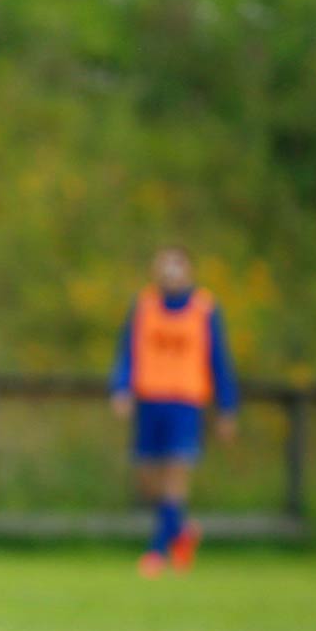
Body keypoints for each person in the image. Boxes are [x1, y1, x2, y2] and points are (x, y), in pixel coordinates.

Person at [108, 246, 238, 577]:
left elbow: (219, 361)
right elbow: (128, 352)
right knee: (147, 480)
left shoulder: (204, 309)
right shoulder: (144, 306)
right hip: (150, 403)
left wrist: (227, 407)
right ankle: (181, 531)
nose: (170, 274)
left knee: (174, 477)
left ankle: (156, 551)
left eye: (176, 267)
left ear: (189, 271)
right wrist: (121, 387)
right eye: (164, 267)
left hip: (185, 404)